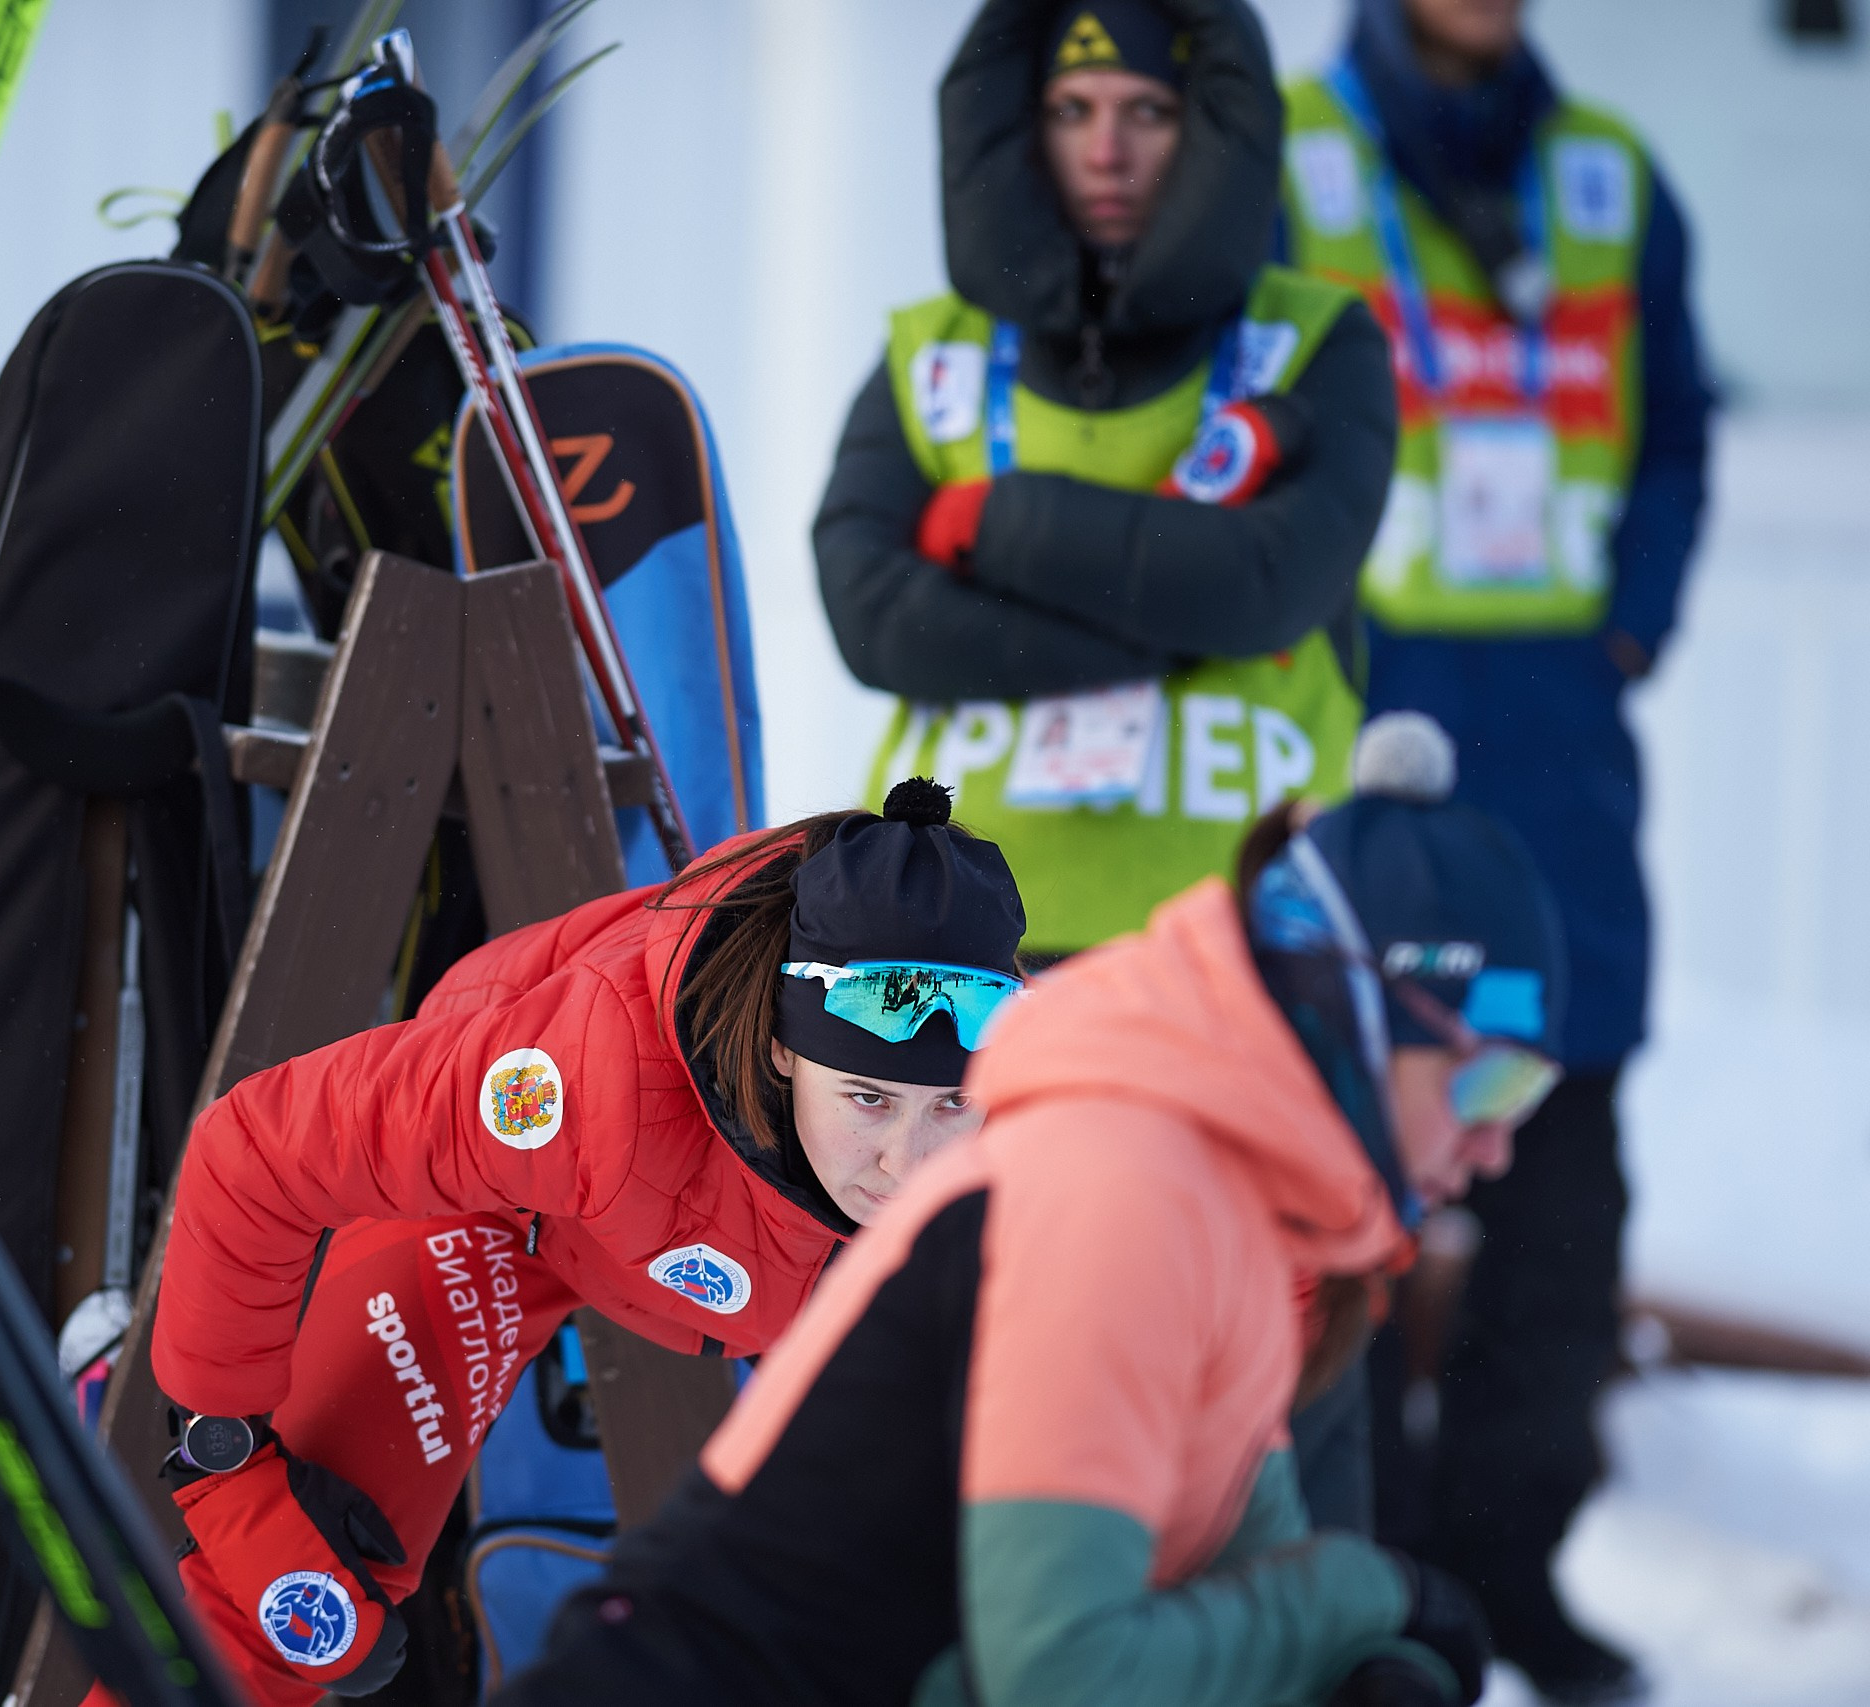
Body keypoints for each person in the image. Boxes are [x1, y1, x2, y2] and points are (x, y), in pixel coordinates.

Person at [497, 712, 1566, 1707]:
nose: (1496, 1145)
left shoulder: (1235, 1213)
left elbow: (1237, 1565)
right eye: (1485, 1084)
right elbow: (1060, 1678)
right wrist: (1362, 1601)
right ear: (1357, 1019)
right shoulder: (1120, 1193)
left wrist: (1353, 1644)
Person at [132, 781, 1026, 1703]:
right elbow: (254, 1149)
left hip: (721, 1254)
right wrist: (223, 1439)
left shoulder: (1025, 1143)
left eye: (950, 1105)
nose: (902, 1164)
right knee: (310, 1580)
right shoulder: (581, 1087)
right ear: (782, 1049)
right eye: (869, 1099)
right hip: (510, 1214)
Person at [1279, 2, 1710, 1697]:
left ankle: (1513, 1562)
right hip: (1356, 708)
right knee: (1341, 1153)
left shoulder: (1611, 178)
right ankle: (1373, 1574)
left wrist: (1632, 630)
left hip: (1558, 733)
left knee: (1568, 1152)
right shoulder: (1287, 160)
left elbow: (1675, 428)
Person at [818, 0, 1398, 962]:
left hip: (1237, 952)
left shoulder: (1316, 344)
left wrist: (995, 527)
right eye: (1071, 109)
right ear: (1018, 123)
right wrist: (1170, 615)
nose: (1106, 150)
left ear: (1212, 124)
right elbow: (874, 619)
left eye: (1150, 112)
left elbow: (1265, 586)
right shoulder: (933, 354)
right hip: (957, 956)